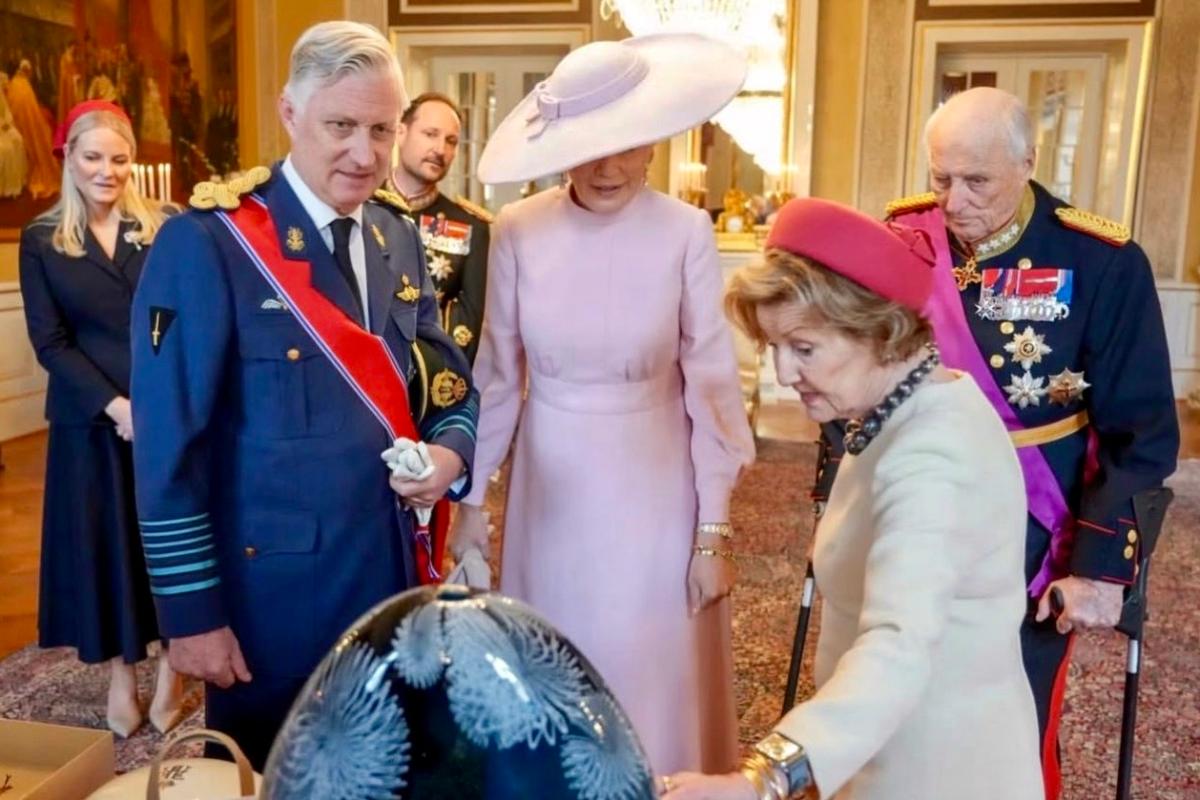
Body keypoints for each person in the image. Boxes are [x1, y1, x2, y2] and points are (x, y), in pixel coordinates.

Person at [129, 21, 478, 769]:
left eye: (382, 129)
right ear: (290, 113)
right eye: (341, 126)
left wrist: (451, 456)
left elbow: (445, 379)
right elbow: (169, 448)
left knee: (388, 768)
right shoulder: (213, 241)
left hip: (392, 580)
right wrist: (191, 614)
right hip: (275, 606)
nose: (366, 154)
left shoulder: (396, 237)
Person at [664, 197, 1042, 800]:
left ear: (879, 332)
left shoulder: (932, 457)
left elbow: (898, 643)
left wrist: (763, 779)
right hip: (893, 750)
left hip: (934, 771)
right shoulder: (907, 405)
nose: (784, 373)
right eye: (773, 348)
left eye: (803, 348)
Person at [448, 34, 755, 776]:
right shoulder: (517, 230)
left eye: (627, 145)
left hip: (657, 486)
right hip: (551, 493)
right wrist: (471, 502)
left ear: (653, 142)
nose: (608, 167)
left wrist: (712, 532)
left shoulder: (685, 230)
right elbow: (498, 378)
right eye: (589, 147)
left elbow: (712, 384)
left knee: (648, 670)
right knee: (555, 663)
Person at [866, 87, 1178, 799]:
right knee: (897, 692)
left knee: (1013, 711)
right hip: (915, 503)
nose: (953, 201)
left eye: (977, 181)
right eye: (940, 178)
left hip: (1034, 526)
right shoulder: (901, 239)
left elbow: (1141, 433)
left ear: (1028, 163)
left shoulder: (1100, 260)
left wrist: (1101, 569)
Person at [18, 100, 184, 738]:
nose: (106, 171)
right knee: (108, 552)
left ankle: (174, 669)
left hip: (166, 415)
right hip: (90, 422)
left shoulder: (166, 226)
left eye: (119, 159)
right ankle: (122, 676)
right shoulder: (42, 240)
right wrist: (118, 407)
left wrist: (159, 405)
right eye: (93, 157)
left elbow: (184, 317)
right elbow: (51, 342)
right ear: (69, 159)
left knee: (167, 547)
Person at [387, 92, 491, 364]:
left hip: (431, 372)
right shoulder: (361, 204)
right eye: (430, 134)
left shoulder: (471, 226)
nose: (440, 149)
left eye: (451, 141)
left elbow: (469, 323)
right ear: (400, 132)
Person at [6, 59, 60, 199]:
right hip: (21, 127)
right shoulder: (23, 85)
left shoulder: (14, 84)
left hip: (16, 125)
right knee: (43, 133)